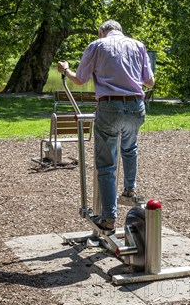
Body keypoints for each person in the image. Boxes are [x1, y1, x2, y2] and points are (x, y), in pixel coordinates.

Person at [58, 19, 155, 232]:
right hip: (136, 107)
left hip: (110, 107)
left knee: (106, 164)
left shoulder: (97, 46)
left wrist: (65, 70)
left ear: (103, 32)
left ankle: (109, 217)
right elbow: (149, 82)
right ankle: (130, 190)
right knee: (129, 148)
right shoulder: (138, 45)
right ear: (120, 30)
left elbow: (80, 80)